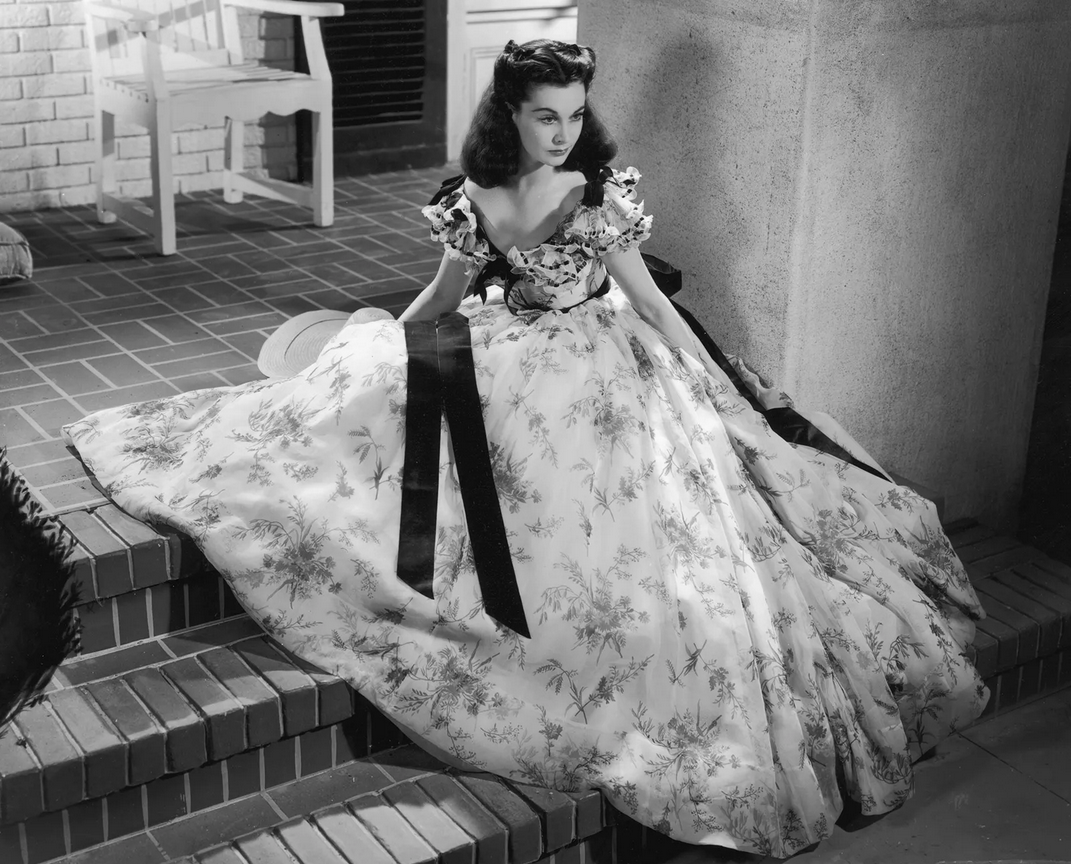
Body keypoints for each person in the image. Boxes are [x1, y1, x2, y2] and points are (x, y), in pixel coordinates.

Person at [63, 39, 988, 858]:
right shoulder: (469, 196)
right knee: (385, 414)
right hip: (506, 351)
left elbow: (649, 303)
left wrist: (713, 378)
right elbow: (443, 296)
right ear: (507, 112)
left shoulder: (596, 195)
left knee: (613, 519)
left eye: (574, 115)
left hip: (600, 365)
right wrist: (375, 346)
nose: (562, 133)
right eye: (545, 116)